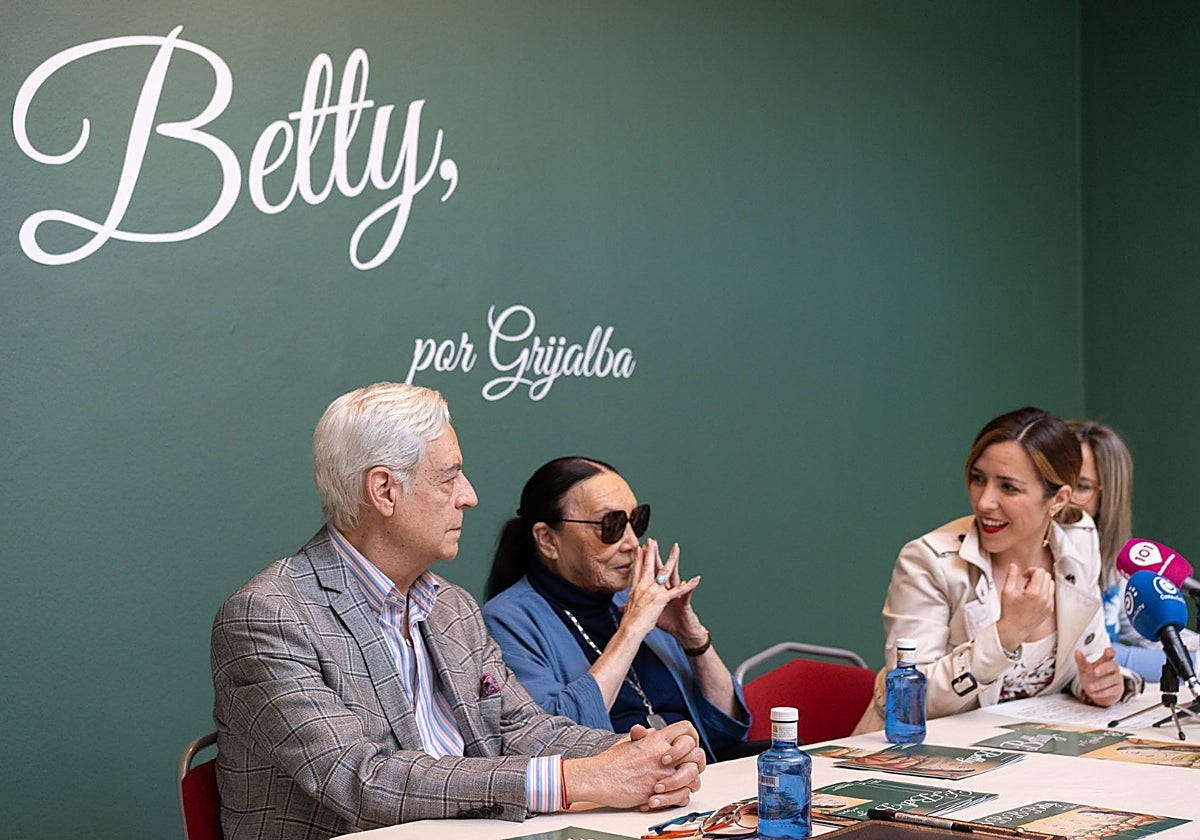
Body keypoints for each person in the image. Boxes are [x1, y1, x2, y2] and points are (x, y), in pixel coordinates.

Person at [210, 384, 707, 840]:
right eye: (449, 478)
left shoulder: (451, 606)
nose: (469, 497)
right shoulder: (268, 616)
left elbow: (524, 729)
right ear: (384, 491)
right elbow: (361, 780)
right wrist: (576, 777)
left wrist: (643, 754)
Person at [854, 407, 1143, 733]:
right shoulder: (927, 560)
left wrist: (1101, 684)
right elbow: (913, 701)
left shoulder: (1079, 539)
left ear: (1058, 499)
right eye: (979, 479)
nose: (984, 502)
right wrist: (1006, 634)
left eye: (1008, 487)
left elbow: (1080, 662)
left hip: (1028, 757)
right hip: (914, 758)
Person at [481, 457, 750, 762]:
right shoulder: (507, 620)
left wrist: (693, 639)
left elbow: (727, 730)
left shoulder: (638, 600)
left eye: (636, 522)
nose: (632, 543)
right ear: (548, 540)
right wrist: (631, 631)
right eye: (611, 526)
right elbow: (551, 742)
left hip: (694, 782)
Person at [1066, 419, 1191, 681]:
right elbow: (1084, 656)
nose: (1062, 496)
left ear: (1107, 496)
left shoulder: (1112, 563)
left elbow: (1148, 632)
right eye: (1055, 480)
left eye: (1081, 486)